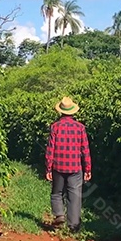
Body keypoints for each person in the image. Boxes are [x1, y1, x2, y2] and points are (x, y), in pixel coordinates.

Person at [45, 96, 92, 232]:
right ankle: (74, 225)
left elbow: (50, 149)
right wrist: (88, 168)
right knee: (75, 195)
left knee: (57, 192)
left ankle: (59, 215)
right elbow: (85, 150)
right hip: (75, 167)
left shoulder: (55, 127)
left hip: (58, 166)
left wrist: (48, 168)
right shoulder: (80, 128)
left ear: (61, 111)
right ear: (73, 111)